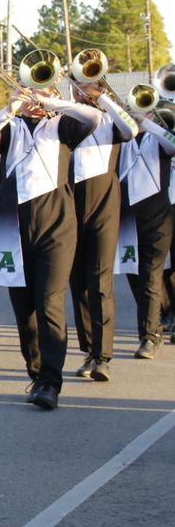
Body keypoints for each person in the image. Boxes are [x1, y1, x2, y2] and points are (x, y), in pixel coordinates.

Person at [0, 88, 100, 410]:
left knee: (49, 304)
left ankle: (50, 382)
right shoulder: (11, 128)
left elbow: (95, 117)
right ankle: (35, 372)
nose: (34, 99)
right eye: (29, 91)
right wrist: (8, 109)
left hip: (57, 226)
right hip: (13, 228)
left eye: (41, 91)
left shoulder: (61, 124)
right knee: (24, 312)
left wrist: (53, 103)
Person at [67, 80, 137, 381]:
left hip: (104, 207)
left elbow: (131, 128)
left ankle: (103, 356)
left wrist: (103, 98)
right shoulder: (65, 119)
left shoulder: (111, 118)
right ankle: (89, 350)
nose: (82, 89)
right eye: (77, 84)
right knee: (77, 281)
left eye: (87, 84)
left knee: (99, 280)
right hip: (70, 207)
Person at [119, 107, 175, 359]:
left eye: (138, 111)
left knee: (151, 273)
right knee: (135, 275)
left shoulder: (158, 139)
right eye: (129, 111)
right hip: (127, 219)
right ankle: (157, 322)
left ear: (151, 115)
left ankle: (149, 337)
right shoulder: (121, 140)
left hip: (158, 218)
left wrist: (148, 124)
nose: (133, 116)